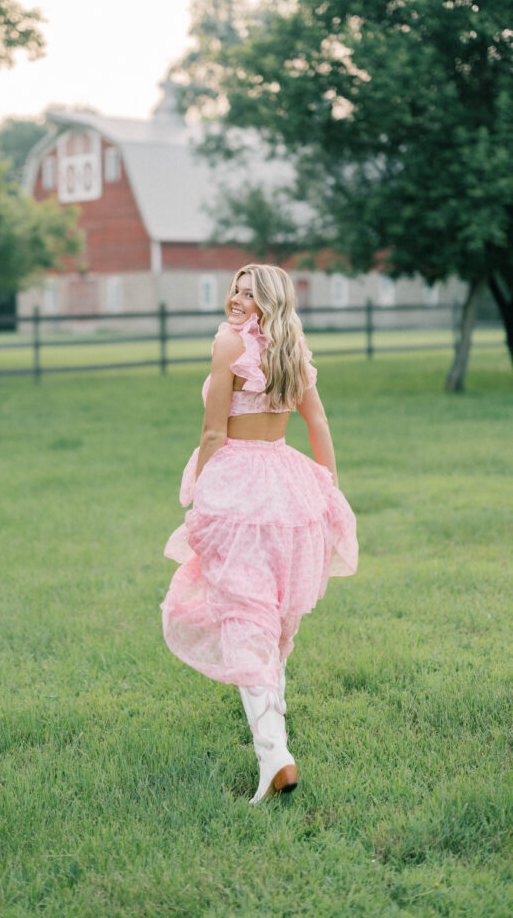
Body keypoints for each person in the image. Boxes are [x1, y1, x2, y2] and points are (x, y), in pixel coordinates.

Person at [161, 264, 358, 803]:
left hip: (241, 480)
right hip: (288, 481)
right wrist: (327, 485)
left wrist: (197, 487)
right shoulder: (291, 343)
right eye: (235, 289)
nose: (236, 299)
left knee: (243, 613)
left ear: (268, 301)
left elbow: (212, 429)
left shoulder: (228, 341)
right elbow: (316, 422)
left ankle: (275, 754)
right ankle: (275, 746)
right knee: (269, 612)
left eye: (249, 294)